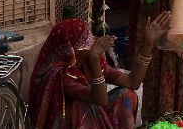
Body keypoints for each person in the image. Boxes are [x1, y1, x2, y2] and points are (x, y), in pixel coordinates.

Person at [28, 13, 172, 129]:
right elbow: (100, 100)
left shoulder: (87, 61)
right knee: (83, 106)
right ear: (69, 50)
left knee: (127, 94)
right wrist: (95, 60)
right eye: (84, 46)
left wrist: (148, 44)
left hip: (93, 119)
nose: (90, 48)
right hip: (67, 122)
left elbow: (132, 82)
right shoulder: (59, 74)